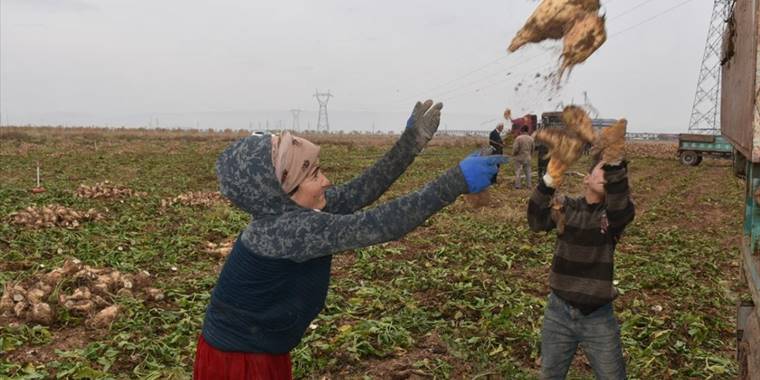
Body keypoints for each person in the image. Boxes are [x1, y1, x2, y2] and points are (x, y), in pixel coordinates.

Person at [194, 100, 507, 379]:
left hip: (259, 345)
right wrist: (454, 181)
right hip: (238, 361)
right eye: (314, 175)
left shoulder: (284, 211)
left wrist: (410, 143)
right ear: (283, 193)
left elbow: (362, 190)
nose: (326, 181)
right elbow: (382, 224)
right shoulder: (289, 231)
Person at [527, 157, 635, 379]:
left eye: (615, 174)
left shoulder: (610, 218)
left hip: (598, 316)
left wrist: (615, 164)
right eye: (602, 170)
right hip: (558, 312)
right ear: (586, 178)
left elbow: (619, 207)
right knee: (550, 374)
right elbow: (536, 222)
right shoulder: (567, 207)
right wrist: (548, 181)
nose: (610, 176)